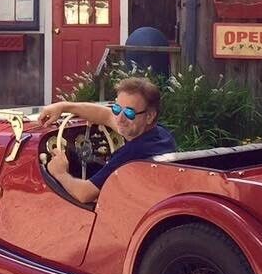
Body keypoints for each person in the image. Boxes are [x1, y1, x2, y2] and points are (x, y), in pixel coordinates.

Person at [37, 76, 176, 204]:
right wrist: (64, 106)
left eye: (129, 113)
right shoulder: (161, 136)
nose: (120, 119)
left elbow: (84, 194)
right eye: (117, 109)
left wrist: (60, 173)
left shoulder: (132, 154)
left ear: (150, 116)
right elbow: (106, 115)